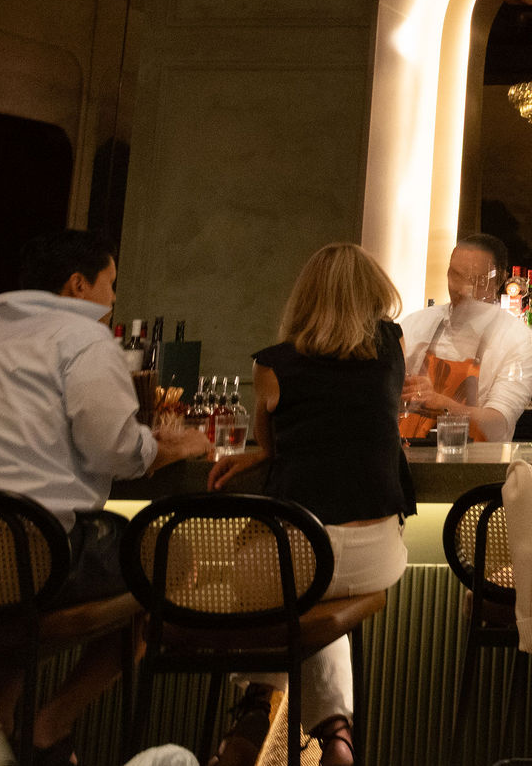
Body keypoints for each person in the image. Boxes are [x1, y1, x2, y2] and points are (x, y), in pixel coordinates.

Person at [0, 230, 211, 763]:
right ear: (77, 284)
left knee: (30, 575)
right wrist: (171, 447)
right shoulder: (86, 341)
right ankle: (51, 726)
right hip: (34, 562)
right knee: (165, 557)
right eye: (110, 285)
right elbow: (115, 450)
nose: (113, 299)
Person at [208, 243, 416, 766]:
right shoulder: (393, 344)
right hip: (376, 555)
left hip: (294, 549)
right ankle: (336, 735)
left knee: (287, 584)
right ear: (375, 296)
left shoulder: (271, 366)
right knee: (319, 611)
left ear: (303, 299)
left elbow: (275, 438)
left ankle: (257, 706)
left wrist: (260, 455)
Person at [394, 233, 532, 442]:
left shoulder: (517, 339)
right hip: (406, 461)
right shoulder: (416, 324)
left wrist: (443, 405)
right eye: (455, 275)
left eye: (474, 280)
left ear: (499, 280)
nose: (461, 289)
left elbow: (498, 424)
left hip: (475, 466)